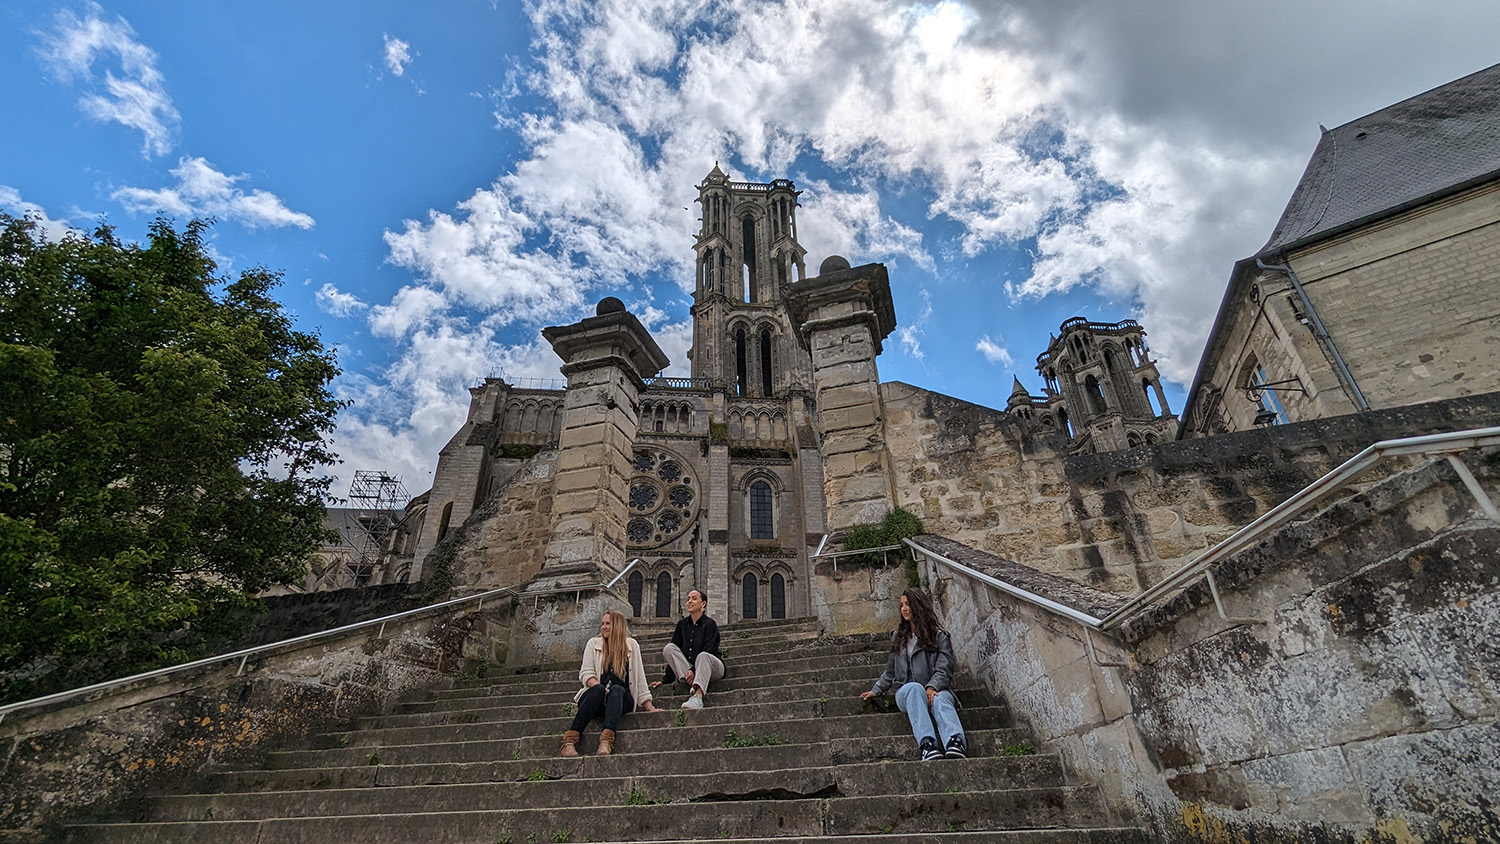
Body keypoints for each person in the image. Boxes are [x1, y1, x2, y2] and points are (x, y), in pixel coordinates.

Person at [860, 588, 967, 761]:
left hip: (936, 688)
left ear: (919, 606)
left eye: (908, 604)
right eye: (901, 605)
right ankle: (927, 745)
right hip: (907, 692)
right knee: (914, 688)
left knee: (940, 699)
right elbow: (890, 671)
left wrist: (932, 687)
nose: (904, 609)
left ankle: (955, 742)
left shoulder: (939, 636)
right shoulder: (898, 637)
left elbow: (945, 667)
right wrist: (876, 690)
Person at [562, 610, 656, 757]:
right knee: (599, 689)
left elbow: (640, 678)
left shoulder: (631, 645)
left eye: (607, 624)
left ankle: (606, 741)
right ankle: (569, 742)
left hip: (619, 699)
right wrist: (599, 688)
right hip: (597, 698)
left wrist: (649, 707)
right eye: (602, 624)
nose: (603, 627)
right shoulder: (593, 644)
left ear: (617, 626)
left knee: (617, 689)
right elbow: (586, 674)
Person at [654, 588, 724, 710]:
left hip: (712, 667)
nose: (689, 602)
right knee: (669, 648)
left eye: (694, 598)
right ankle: (693, 681)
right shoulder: (682, 625)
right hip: (690, 669)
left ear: (703, 604)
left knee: (703, 655)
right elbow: (676, 651)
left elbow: (710, 649)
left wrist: (693, 669)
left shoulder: (710, 624)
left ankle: (698, 697)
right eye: (688, 599)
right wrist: (666, 680)